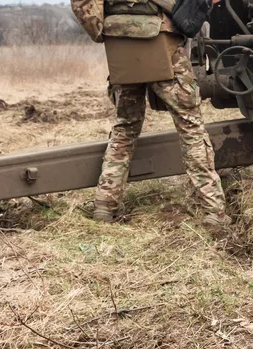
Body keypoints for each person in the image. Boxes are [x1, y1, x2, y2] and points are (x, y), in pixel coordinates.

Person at [72, 0, 228, 225]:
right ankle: (214, 211)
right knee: (190, 127)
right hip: (164, 43)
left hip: (120, 46)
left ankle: (105, 206)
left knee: (125, 128)